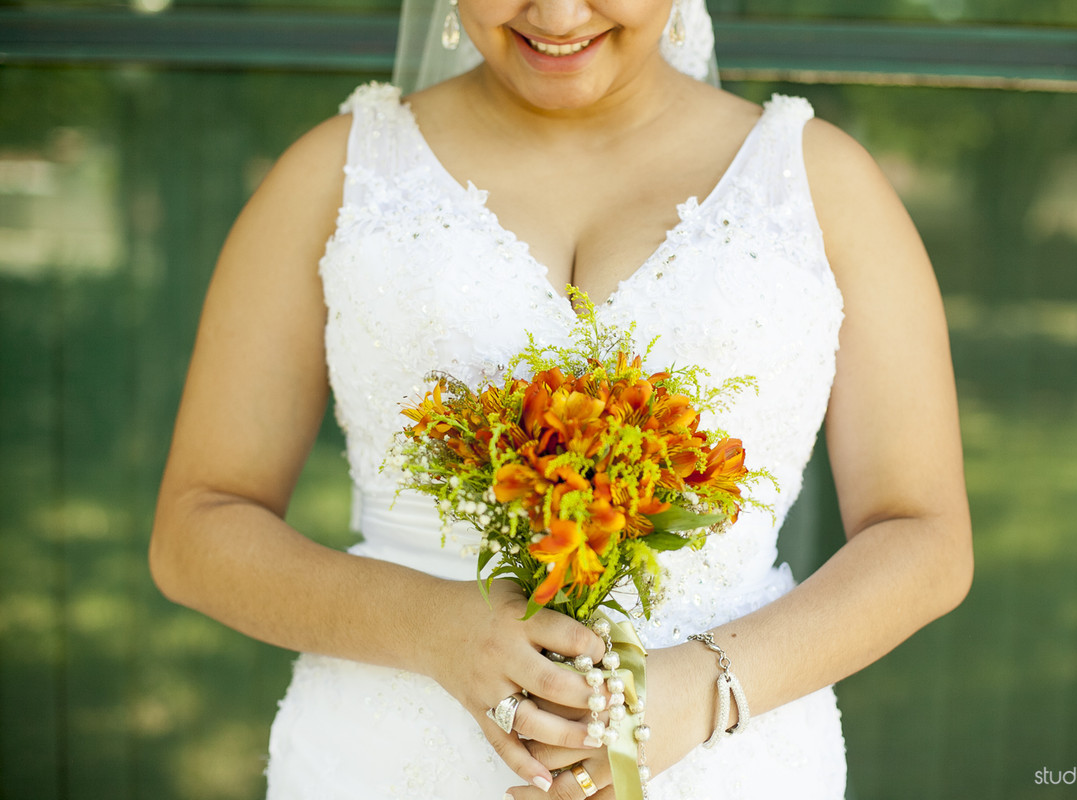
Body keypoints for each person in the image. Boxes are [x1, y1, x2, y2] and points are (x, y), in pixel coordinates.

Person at [149, 0, 973, 798]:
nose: (555, 11)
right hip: (381, 759)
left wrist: (710, 687)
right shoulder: (335, 175)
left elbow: (925, 538)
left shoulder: (823, 183)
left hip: (729, 762)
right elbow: (196, 529)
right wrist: (434, 628)